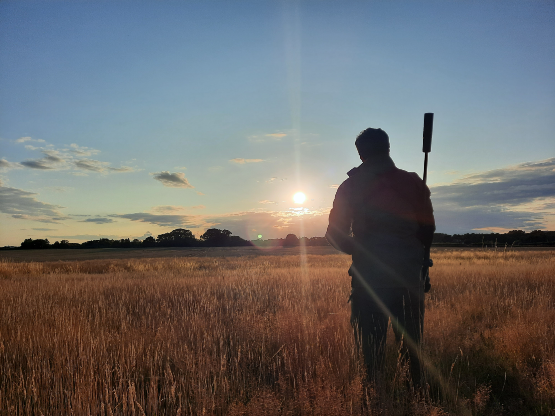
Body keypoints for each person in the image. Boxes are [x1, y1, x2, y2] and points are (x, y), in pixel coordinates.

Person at [325, 127, 435, 385]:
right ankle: (415, 402)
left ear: (360, 153)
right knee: (412, 354)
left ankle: (374, 401)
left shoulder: (351, 186)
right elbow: (426, 231)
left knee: (370, 356)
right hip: (409, 279)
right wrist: (418, 263)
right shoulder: (413, 182)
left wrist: (362, 252)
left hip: (369, 282)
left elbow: (334, 234)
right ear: (387, 148)